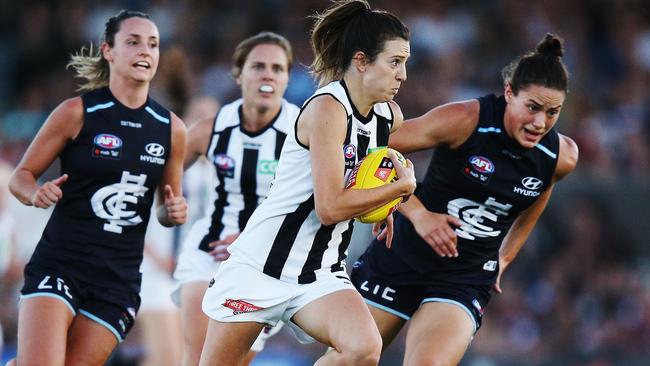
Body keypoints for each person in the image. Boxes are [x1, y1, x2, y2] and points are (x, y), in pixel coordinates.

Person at [199, 1, 416, 365]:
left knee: (364, 348)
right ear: (361, 61)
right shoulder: (327, 109)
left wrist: (382, 204)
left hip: (319, 272)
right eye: (395, 62)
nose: (403, 75)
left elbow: (364, 170)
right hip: (261, 268)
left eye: (404, 63)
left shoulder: (388, 115)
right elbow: (329, 207)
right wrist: (398, 189)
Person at [351, 33, 579, 365]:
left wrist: (506, 257)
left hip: (464, 278)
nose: (540, 122)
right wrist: (417, 214)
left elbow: (540, 193)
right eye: (532, 107)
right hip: (399, 257)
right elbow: (376, 150)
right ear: (509, 93)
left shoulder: (561, 156)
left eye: (553, 112)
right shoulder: (465, 120)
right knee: (353, 357)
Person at [7, 10, 187, 366]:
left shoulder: (172, 129)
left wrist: (172, 213)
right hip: (61, 264)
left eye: (152, 44)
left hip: (117, 281)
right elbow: (21, 176)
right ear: (108, 51)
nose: (145, 52)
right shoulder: (76, 112)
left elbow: (168, 207)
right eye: (133, 42)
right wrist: (35, 193)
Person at [172, 31, 301, 366]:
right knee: (199, 355)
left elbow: (315, 205)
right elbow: (161, 178)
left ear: (287, 77)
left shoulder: (303, 132)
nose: (267, 74)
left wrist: (249, 240)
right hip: (208, 250)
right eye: (258, 66)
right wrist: (165, 207)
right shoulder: (211, 129)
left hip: (266, 263)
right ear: (239, 74)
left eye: (277, 67)